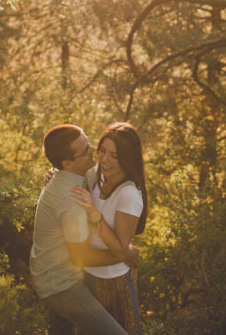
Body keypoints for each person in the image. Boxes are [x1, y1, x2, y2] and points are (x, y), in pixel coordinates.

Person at [30, 124, 134, 335]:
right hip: (62, 286)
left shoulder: (72, 176)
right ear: (67, 163)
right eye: (86, 150)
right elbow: (81, 258)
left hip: (50, 275)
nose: (93, 151)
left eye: (89, 143)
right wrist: (125, 255)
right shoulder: (72, 201)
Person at [70, 122, 148, 335]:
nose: (105, 159)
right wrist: (52, 175)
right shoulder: (96, 174)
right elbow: (70, 172)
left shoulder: (129, 194)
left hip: (113, 282)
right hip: (86, 275)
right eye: (102, 151)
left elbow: (121, 250)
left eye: (114, 156)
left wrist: (95, 213)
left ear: (127, 158)